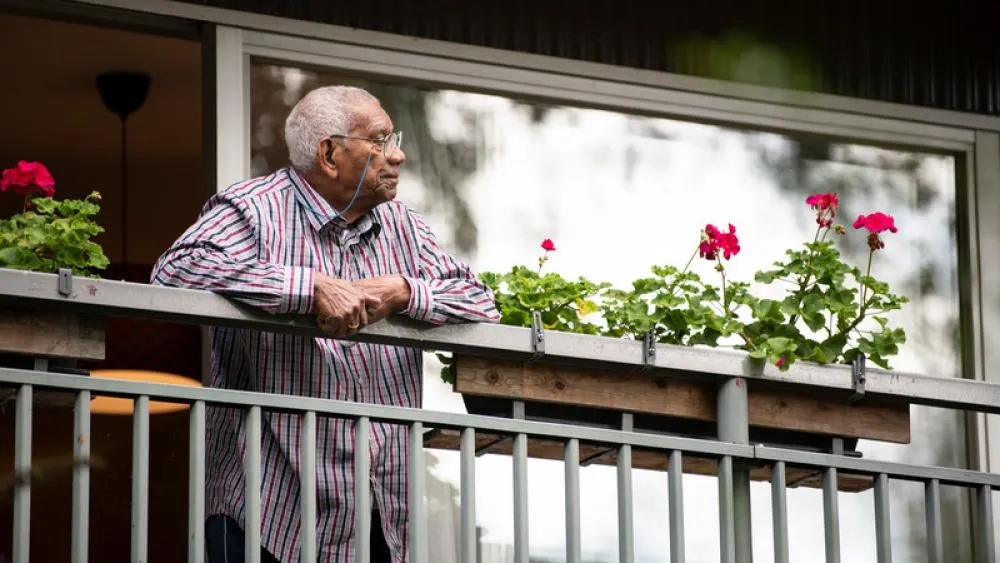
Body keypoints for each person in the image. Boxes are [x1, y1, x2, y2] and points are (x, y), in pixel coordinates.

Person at [150, 85, 499, 563]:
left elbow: (480, 302)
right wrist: (307, 287)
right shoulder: (252, 209)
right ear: (330, 153)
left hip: (379, 512)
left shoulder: (405, 227)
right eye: (380, 140)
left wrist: (404, 291)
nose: (397, 155)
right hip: (268, 513)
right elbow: (175, 270)